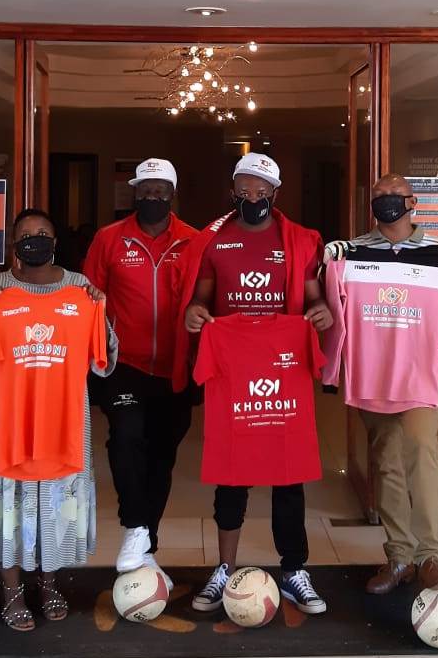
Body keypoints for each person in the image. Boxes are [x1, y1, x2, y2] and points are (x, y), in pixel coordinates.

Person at [176, 152, 333, 616]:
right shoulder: (214, 241)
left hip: (284, 364)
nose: (252, 198)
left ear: (275, 194)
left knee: (289, 472)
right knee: (232, 470)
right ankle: (224, 568)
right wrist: (195, 313)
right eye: (243, 191)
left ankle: (294, 569)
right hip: (234, 365)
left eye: (260, 192)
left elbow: (314, 298)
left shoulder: (299, 241)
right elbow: (201, 299)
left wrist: (320, 311)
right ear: (232, 193)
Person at [0, 209, 115, 632]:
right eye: (26, 234)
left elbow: (103, 356)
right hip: (5, 415)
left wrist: (100, 307)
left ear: (55, 241)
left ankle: (49, 584)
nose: (35, 239)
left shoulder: (80, 289)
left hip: (61, 416)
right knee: (7, 499)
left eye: (43, 232)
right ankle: (11, 591)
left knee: (55, 499)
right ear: (14, 244)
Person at [322, 174, 438, 597]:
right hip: (372, 377)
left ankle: (430, 556)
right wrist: (333, 369)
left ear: (412, 202)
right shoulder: (350, 254)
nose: (386, 201)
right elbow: (333, 312)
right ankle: (399, 556)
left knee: (423, 453)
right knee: (385, 461)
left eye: (394, 195)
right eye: (378, 196)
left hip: (421, 377)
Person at [82, 158, 198, 581]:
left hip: (175, 366)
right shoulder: (109, 239)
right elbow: (89, 299)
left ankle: (146, 546)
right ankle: (134, 525)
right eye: (145, 190)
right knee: (126, 438)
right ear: (135, 193)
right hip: (124, 364)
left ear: (172, 195)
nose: (152, 197)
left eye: (159, 190)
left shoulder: (193, 241)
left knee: (161, 458)